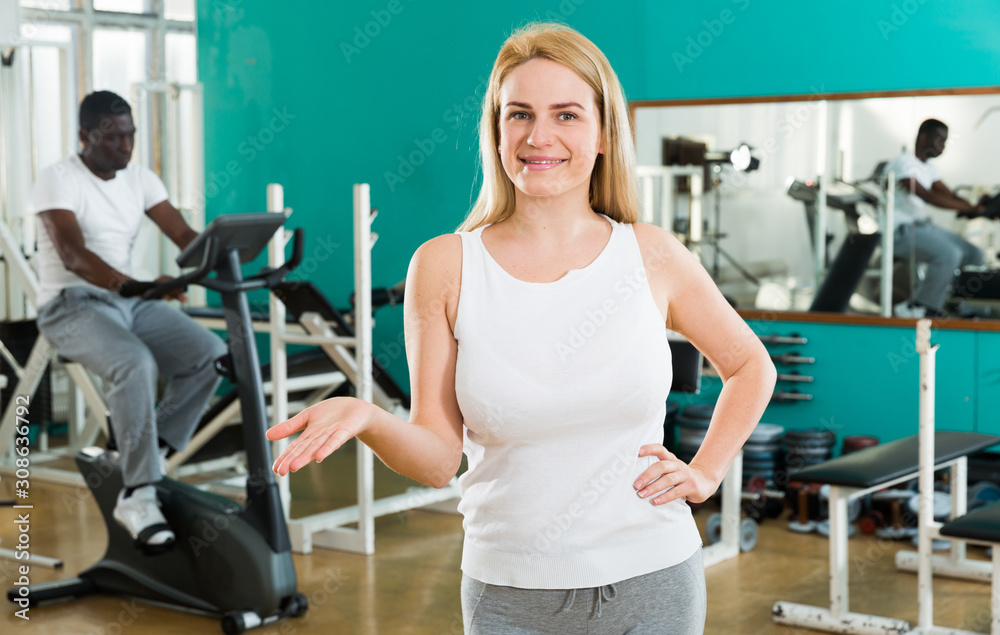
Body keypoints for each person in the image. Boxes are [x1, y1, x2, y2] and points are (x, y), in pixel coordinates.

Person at [268, 23, 775, 635]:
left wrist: (706, 472)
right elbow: (436, 460)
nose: (539, 137)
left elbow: (750, 366)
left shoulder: (651, 254)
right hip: (510, 594)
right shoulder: (444, 266)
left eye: (566, 115)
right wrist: (369, 418)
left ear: (604, 134)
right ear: (496, 129)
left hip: (654, 578)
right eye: (519, 114)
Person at [33, 90, 228, 552]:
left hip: (128, 300)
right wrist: (135, 285)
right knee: (134, 362)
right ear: (85, 136)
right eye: (114, 137)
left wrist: (227, 251)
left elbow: (183, 236)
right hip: (70, 305)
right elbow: (74, 256)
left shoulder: (140, 178)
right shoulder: (58, 179)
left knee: (211, 355)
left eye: (131, 136)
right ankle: (137, 494)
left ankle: (147, 453)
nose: (125, 147)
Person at [889, 118, 988, 318]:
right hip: (899, 231)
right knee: (949, 254)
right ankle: (918, 307)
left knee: (975, 254)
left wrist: (978, 208)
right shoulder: (902, 162)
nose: (943, 147)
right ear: (924, 136)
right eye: (940, 140)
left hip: (923, 226)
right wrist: (973, 208)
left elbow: (948, 195)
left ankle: (956, 304)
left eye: (945, 141)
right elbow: (926, 195)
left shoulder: (930, 169)